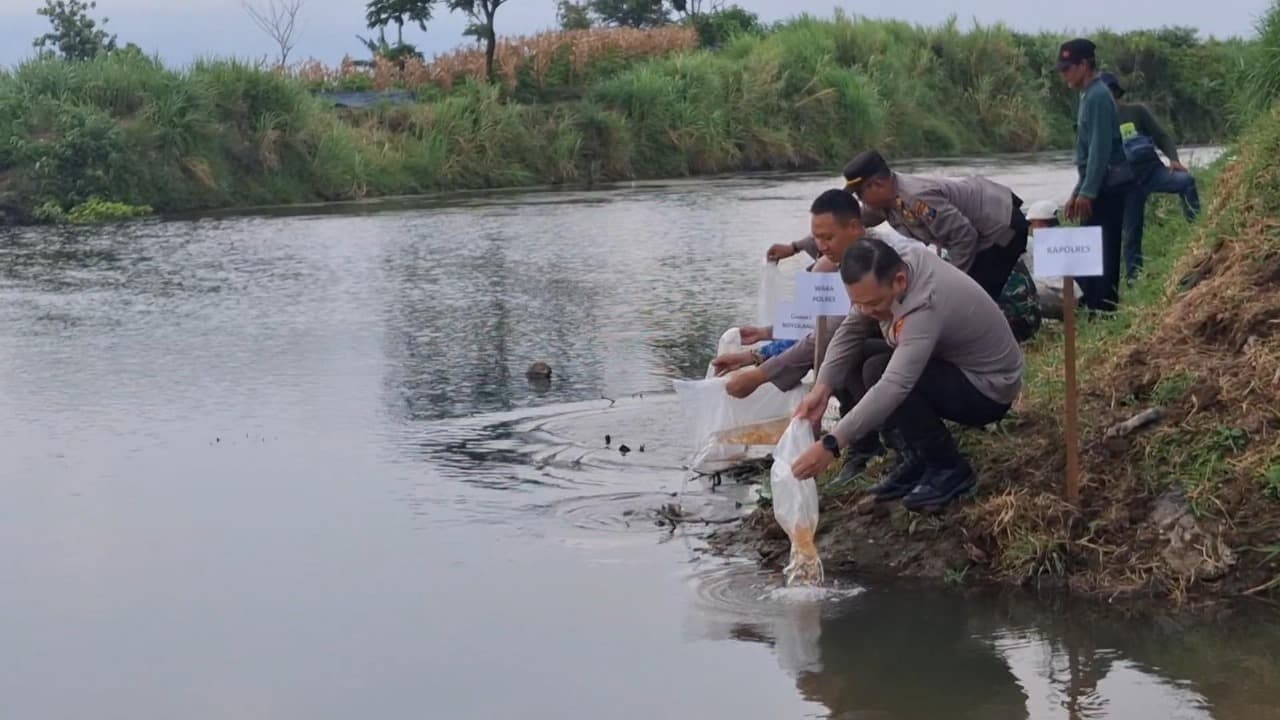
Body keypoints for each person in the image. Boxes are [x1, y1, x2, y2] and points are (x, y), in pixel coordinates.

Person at [788, 236, 1025, 512]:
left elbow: (895, 385)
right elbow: (850, 330)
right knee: (862, 355)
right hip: (951, 362)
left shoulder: (923, 303)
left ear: (899, 281)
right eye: (858, 303)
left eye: (873, 303)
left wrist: (832, 443)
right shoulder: (890, 264)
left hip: (989, 388)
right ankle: (914, 456)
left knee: (882, 373)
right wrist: (821, 388)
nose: (866, 311)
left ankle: (948, 468)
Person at [720, 189, 904, 484]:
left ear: (855, 228)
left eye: (827, 239)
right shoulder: (841, 259)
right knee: (837, 356)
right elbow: (813, 325)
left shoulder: (874, 264)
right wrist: (763, 340)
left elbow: (829, 334)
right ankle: (864, 445)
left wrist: (758, 373)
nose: (821, 246)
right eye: (816, 239)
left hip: (908, 348)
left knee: (849, 358)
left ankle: (883, 447)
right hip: (880, 340)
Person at [839, 150, 1030, 302]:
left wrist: (951, 280)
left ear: (877, 185)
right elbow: (860, 219)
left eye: (859, 195)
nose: (861, 201)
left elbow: (964, 236)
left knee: (972, 298)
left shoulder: (915, 197)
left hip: (1001, 226)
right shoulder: (887, 198)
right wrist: (825, 233)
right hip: (980, 231)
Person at [1099, 72, 1202, 281]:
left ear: (1116, 93)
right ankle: (1133, 278)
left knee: (1186, 182)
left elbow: (1161, 136)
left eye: (1110, 92)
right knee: (1130, 234)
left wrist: (1173, 158)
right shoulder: (1097, 122)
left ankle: (1199, 232)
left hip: (1153, 171)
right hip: (1126, 185)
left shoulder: (1136, 112)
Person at [1056, 38, 1134, 313]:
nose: (1064, 74)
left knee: (1103, 250)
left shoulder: (1099, 96)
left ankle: (1104, 308)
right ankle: (1093, 304)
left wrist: (1088, 192)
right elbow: (1087, 155)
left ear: (1084, 65)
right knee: (1090, 248)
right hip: (1095, 183)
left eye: (1068, 68)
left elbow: (1100, 149)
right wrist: (1078, 191)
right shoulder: (1086, 94)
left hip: (1108, 187)